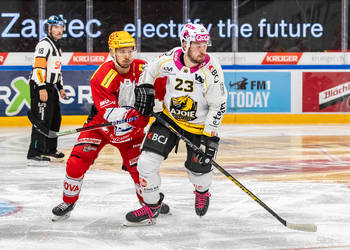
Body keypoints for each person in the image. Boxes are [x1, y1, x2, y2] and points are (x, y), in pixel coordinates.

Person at [51, 30, 170, 221]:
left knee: (140, 170)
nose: (127, 56)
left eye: (130, 50)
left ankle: (151, 202)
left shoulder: (143, 69)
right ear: (112, 51)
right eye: (121, 51)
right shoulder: (101, 77)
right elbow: (110, 113)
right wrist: (136, 115)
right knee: (76, 162)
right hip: (101, 128)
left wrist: (164, 106)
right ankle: (68, 201)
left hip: (132, 132)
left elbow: (163, 90)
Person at [124, 23, 228, 226]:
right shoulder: (170, 58)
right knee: (145, 163)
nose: (202, 49)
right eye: (197, 44)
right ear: (184, 43)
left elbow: (219, 106)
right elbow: (149, 69)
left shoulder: (211, 70)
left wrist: (210, 137)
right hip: (169, 119)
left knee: (198, 172)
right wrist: (145, 88)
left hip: (199, 127)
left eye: (205, 44)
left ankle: (202, 191)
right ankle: (151, 206)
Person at [27, 15, 67, 166]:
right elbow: (39, 67)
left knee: (55, 119)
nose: (59, 30)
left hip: (51, 87)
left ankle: (50, 149)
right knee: (41, 121)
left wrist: (60, 87)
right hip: (41, 86)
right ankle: (34, 153)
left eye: (61, 27)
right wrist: (41, 87)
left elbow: (57, 70)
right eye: (56, 27)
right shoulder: (44, 45)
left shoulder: (57, 46)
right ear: (49, 29)